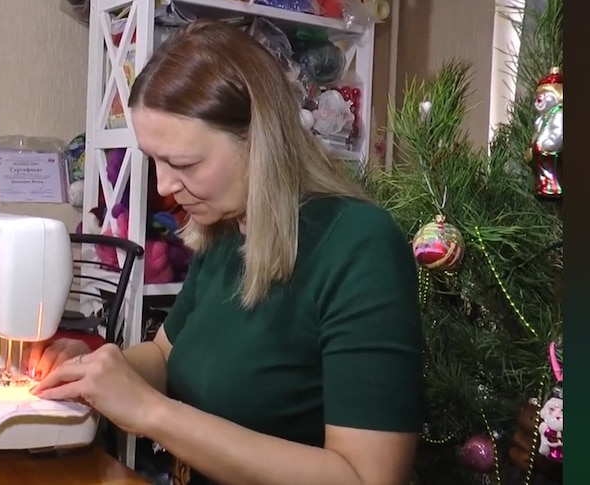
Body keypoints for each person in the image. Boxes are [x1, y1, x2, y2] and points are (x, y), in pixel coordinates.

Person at [29, 19, 424, 485]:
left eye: (184, 163)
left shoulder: (360, 245)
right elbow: (163, 358)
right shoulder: (223, 230)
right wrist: (93, 369)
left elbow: (366, 478)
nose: (165, 187)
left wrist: (152, 413)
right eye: (153, 160)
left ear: (260, 140)